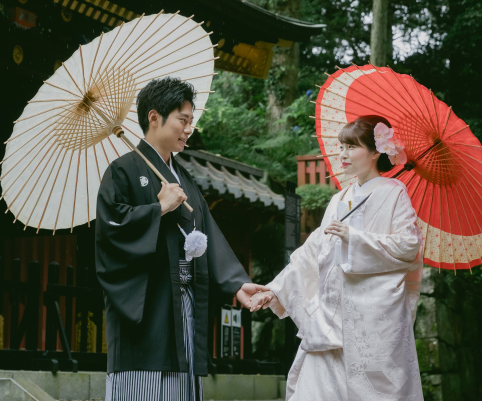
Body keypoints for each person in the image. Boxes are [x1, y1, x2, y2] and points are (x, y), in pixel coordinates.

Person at [95, 77, 268, 401]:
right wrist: (157, 208)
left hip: (183, 303)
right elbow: (110, 230)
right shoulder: (122, 172)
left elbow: (208, 236)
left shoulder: (183, 178)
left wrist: (236, 284)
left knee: (182, 386)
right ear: (154, 117)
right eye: (182, 120)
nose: (188, 129)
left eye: (191, 121)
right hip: (146, 307)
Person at [248, 115, 424, 401]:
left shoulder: (394, 193)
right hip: (330, 316)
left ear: (376, 151)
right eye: (341, 146)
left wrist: (354, 238)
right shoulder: (338, 200)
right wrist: (275, 289)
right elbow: (312, 253)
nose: (343, 154)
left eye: (351, 147)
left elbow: (407, 246)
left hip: (374, 322)